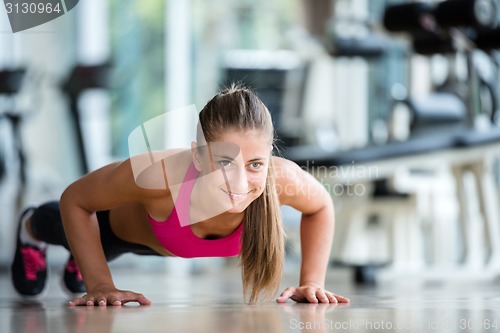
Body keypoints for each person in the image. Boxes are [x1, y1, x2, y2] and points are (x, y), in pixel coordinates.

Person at [10, 84, 349, 306]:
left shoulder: (280, 179)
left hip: (152, 245)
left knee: (84, 254)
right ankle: (32, 230)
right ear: (198, 156)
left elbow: (321, 206)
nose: (240, 181)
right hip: (110, 230)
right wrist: (99, 283)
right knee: (51, 234)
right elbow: (76, 199)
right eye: (224, 162)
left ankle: (83, 254)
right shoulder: (157, 175)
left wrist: (311, 281)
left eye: (256, 163)